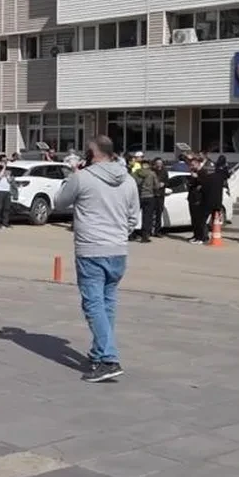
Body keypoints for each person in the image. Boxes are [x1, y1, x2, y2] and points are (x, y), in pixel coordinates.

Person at [53, 135, 140, 383]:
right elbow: (134, 217)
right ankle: (99, 353)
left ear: (93, 153)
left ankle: (110, 358)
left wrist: (72, 173)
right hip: (118, 250)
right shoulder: (129, 180)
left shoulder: (83, 177)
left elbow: (60, 202)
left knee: (93, 305)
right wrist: (120, 233)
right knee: (107, 304)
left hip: (91, 249)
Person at [133, 158, 159, 244]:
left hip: (138, 196)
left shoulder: (136, 173)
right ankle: (145, 236)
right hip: (149, 197)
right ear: (148, 165)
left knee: (133, 215)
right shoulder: (152, 174)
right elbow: (157, 186)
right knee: (147, 217)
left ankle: (131, 234)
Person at [186, 156, 207, 244]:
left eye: (193, 164)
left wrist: (196, 177)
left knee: (199, 220)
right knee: (193, 219)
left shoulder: (203, 172)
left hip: (199, 199)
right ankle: (195, 235)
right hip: (192, 197)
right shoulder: (193, 172)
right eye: (191, 165)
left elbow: (204, 184)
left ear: (198, 164)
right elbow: (191, 183)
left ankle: (201, 237)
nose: (192, 166)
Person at [0, 158, 13, 229]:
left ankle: (5, 223)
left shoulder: (8, 174)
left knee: (6, 208)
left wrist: (8, 176)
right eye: (3, 161)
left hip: (7, 191)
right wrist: (3, 167)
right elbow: (0, 176)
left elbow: (10, 181)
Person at [150, 158, 169, 237]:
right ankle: (149, 231)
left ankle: (157, 231)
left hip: (161, 195)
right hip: (153, 194)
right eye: (157, 163)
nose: (159, 164)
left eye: (160, 163)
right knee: (150, 214)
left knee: (158, 214)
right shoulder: (152, 171)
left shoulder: (164, 171)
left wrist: (164, 184)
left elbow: (167, 182)